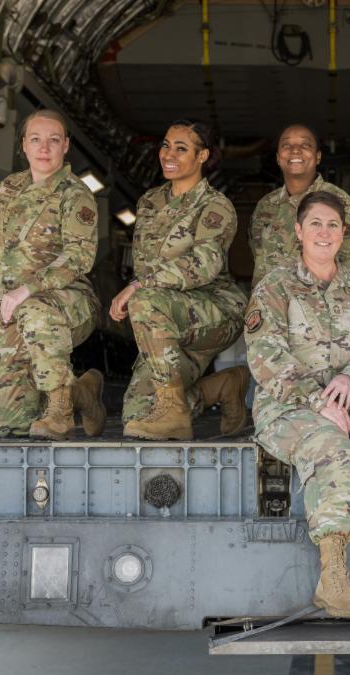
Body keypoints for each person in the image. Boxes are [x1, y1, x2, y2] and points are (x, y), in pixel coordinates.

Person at [246, 191, 350, 617]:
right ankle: (333, 576)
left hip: (346, 398)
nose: (324, 233)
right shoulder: (276, 286)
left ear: (344, 234)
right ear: (299, 231)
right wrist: (317, 401)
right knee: (333, 445)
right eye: (316, 224)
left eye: (333, 225)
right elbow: (265, 357)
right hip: (287, 407)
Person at [108, 119, 249, 440]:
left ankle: (173, 412)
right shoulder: (149, 202)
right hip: (168, 318)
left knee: (144, 300)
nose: (168, 154)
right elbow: (144, 264)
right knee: (136, 415)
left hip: (216, 312)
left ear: (202, 156)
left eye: (181, 148)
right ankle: (222, 387)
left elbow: (205, 264)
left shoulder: (215, 205)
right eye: (166, 145)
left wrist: (138, 287)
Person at [0, 109, 106, 440]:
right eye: (36, 139)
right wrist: (2, 304)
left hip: (68, 304)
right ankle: (83, 393)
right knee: (9, 420)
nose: (44, 148)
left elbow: (78, 258)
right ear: (24, 144)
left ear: (65, 145)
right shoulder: (9, 188)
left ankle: (60, 413)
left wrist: (27, 290)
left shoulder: (75, 194)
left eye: (54, 140)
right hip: (17, 309)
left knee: (36, 310)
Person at [248, 123, 350, 285]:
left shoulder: (339, 203)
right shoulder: (266, 205)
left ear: (318, 156)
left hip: (315, 299)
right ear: (278, 158)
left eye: (305, 145)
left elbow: (345, 261)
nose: (295, 150)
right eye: (286, 145)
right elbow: (257, 254)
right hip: (266, 298)